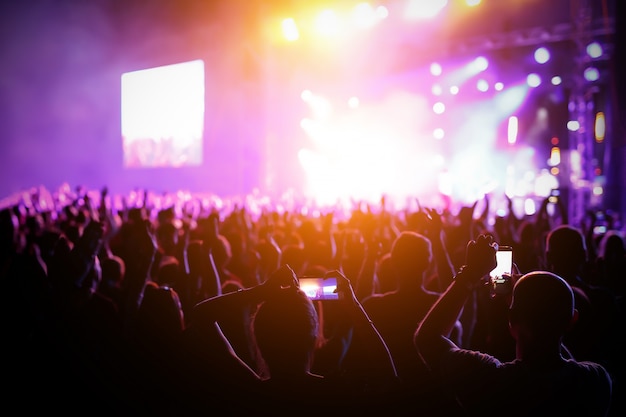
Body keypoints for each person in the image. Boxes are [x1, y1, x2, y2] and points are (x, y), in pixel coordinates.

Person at [415, 234, 613, 417]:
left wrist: (469, 276)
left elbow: (427, 339)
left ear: (511, 319)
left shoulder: (490, 381)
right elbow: (564, 359)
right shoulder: (595, 381)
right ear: (572, 320)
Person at [180, 264, 399, 415]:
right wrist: (354, 306)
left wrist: (261, 291)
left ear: (259, 338)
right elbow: (388, 378)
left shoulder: (249, 394)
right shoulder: (334, 395)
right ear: (314, 336)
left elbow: (201, 315)